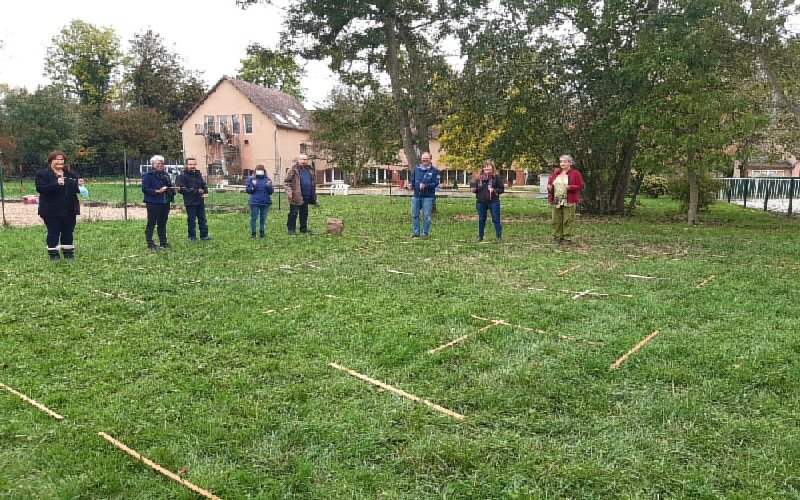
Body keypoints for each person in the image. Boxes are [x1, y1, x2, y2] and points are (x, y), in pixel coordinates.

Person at [35, 150, 85, 260]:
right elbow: (41, 189)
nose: (60, 162)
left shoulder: (70, 174)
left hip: (70, 209)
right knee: (53, 232)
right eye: (57, 159)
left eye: (62, 160)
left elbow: (76, 189)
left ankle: (68, 254)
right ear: (51, 161)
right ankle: (54, 255)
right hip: (51, 210)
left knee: (68, 232)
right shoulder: (43, 174)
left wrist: (79, 184)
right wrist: (56, 184)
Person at [547, 154, 585, 244]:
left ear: (570, 163)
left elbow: (580, 186)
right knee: (556, 219)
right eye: (561, 162)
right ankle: (557, 237)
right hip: (556, 199)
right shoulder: (556, 172)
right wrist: (549, 187)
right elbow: (550, 183)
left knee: (568, 219)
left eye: (564, 161)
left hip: (569, 200)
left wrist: (570, 187)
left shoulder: (575, 173)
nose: (562, 163)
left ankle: (567, 238)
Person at [141, 154, 176, 251]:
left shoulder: (166, 175)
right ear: (153, 164)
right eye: (158, 163)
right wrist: (158, 191)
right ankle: (150, 243)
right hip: (153, 202)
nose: (160, 165)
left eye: (162, 163)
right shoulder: (148, 175)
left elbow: (169, 186)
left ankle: (163, 242)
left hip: (165, 202)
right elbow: (145, 189)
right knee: (151, 223)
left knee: (162, 223)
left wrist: (173, 190)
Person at [176, 157, 211, 242]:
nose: (192, 166)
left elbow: (203, 184)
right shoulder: (182, 176)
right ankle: (192, 237)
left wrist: (206, 192)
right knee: (192, 220)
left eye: (194, 164)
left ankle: (204, 235)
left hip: (200, 200)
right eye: (190, 164)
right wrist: (196, 191)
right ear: (186, 165)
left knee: (202, 219)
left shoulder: (198, 174)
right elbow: (181, 189)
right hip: (190, 201)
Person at [408, 152, 440, 239]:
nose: (424, 160)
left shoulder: (435, 171)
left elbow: (436, 184)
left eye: (426, 158)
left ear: (430, 159)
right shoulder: (417, 169)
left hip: (428, 197)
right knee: (415, 215)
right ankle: (416, 232)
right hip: (416, 196)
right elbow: (413, 180)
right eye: (423, 158)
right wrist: (411, 185)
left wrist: (426, 186)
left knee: (427, 216)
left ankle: (425, 233)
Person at [471, 159, 505, 242]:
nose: (486, 168)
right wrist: (474, 189)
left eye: (488, 166)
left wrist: (494, 190)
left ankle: (499, 236)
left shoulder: (496, 177)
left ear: (492, 167)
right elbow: (474, 188)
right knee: (482, 219)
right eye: (485, 166)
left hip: (493, 201)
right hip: (481, 201)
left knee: (496, 219)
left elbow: (501, 189)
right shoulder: (479, 178)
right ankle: (481, 236)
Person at [284, 154, 317, 235]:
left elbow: (312, 182)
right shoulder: (293, 170)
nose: (304, 161)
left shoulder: (310, 170)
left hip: (307, 195)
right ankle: (291, 230)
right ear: (298, 160)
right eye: (302, 159)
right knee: (293, 213)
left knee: (304, 213)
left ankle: (303, 228)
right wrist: (289, 193)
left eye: (305, 159)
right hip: (296, 196)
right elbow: (286, 182)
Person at [245, 165, 274, 239]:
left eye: (261, 170)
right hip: (255, 202)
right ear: (255, 171)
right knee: (254, 218)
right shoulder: (251, 179)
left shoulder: (268, 179)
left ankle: (262, 233)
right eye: (258, 170)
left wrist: (269, 186)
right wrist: (253, 186)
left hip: (265, 202)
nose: (260, 171)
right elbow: (248, 191)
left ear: (264, 171)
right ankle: (253, 234)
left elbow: (270, 192)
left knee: (263, 218)